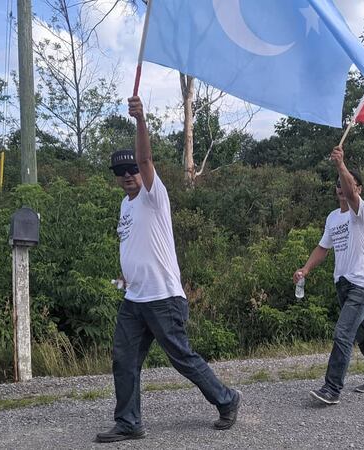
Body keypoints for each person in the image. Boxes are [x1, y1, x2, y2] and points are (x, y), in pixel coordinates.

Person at [96, 96, 241, 443]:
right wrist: (126, 276)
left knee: (182, 358)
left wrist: (140, 119)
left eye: (131, 169)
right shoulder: (125, 205)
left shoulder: (153, 194)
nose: (128, 176)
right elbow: (132, 245)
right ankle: (129, 422)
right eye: (120, 172)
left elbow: (145, 157)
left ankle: (227, 399)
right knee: (124, 358)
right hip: (135, 297)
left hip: (163, 297)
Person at [293, 145, 364, 406]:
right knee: (362, 334)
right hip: (344, 285)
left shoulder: (362, 213)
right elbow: (323, 248)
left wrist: (340, 164)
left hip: (362, 285)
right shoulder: (333, 218)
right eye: (339, 183)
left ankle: (331, 389)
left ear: (357, 188)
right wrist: (306, 269)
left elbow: (349, 189)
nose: (342, 186)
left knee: (343, 333)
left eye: (347, 183)